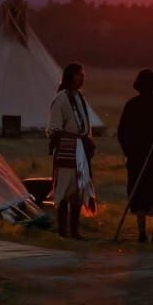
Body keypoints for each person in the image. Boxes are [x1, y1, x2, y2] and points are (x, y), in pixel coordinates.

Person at [117, 68, 153, 243]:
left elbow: (122, 134)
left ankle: (143, 233)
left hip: (142, 157)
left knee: (142, 194)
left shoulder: (132, 105)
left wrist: (129, 151)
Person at [47, 62, 96, 238]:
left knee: (78, 188)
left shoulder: (80, 98)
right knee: (64, 190)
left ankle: (74, 231)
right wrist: (77, 139)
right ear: (70, 76)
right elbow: (54, 129)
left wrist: (87, 141)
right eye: (78, 74)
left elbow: (84, 125)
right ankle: (62, 231)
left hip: (81, 151)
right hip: (67, 150)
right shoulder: (60, 99)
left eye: (83, 74)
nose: (82, 77)